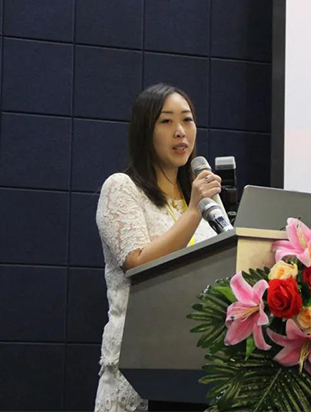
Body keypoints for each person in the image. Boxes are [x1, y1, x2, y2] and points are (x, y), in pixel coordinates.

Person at [94, 83, 223, 411]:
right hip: (141, 363)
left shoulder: (204, 201)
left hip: (198, 365)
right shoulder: (121, 188)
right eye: (166, 121)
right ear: (144, 132)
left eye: (187, 120)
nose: (180, 131)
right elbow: (138, 263)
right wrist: (193, 211)